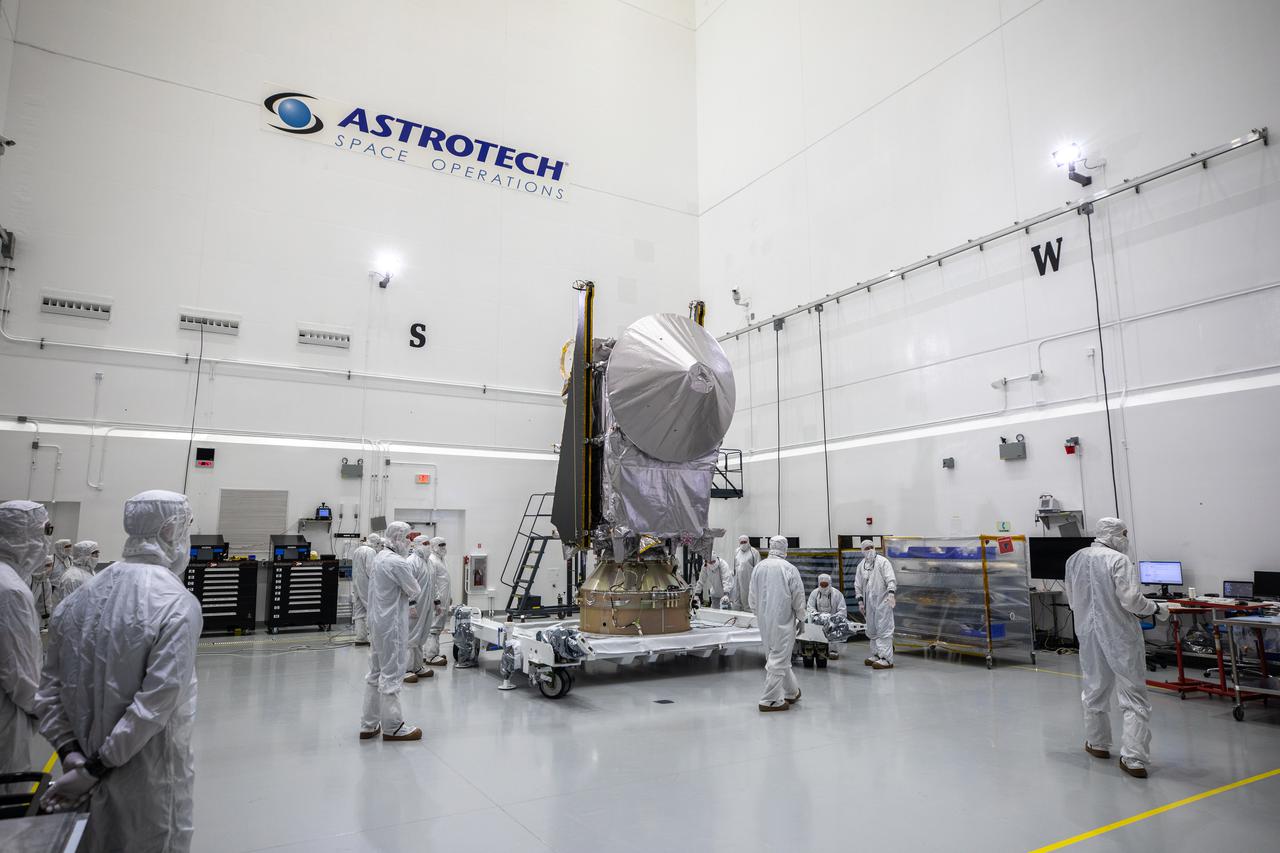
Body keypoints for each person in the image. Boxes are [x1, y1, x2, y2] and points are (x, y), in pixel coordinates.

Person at [36, 490, 203, 852]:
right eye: (187, 526)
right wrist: (96, 767)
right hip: (146, 779)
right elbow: (154, 705)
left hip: (79, 769)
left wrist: (72, 755)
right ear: (171, 529)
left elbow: (48, 691)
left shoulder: (80, 597)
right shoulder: (176, 604)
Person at [1065, 517, 1169, 779]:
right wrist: (1157, 608)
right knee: (1133, 694)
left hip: (1087, 634)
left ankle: (1097, 743)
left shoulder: (1074, 559)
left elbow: (1072, 600)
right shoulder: (1118, 560)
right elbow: (1132, 601)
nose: (1126, 539)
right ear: (1112, 534)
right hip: (1119, 635)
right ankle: (1133, 758)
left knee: (1094, 687)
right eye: (1124, 534)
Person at [0, 500, 48, 792]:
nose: (44, 543)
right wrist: (45, 711)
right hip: (6, 718)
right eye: (41, 533)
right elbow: (20, 675)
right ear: (23, 535)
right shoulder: (11, 591)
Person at [359, 521, 423, 741]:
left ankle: (368, 725)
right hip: (392, 625)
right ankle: (393, 726)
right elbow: (414, 589)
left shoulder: (379, 557)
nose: (409, 543)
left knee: (375, 673)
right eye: (407, 538)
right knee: (392, 674)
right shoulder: (397, 562)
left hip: (377, 623)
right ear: (398, 538)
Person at [749, 536, 806, 712]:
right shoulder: (788, 568)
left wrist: (758, 612)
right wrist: (802, 618)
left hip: (764, 619)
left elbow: (752, 595)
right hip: (783, 619)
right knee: (779, 657)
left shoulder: (759, 567)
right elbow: (798, 596)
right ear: (785, 548)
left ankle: (791, 691)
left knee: (778, 656)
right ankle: (770, 700)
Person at [855, 540, 897, 670]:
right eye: (866, 548)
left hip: (883, 601)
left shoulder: (883, 562)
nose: (869, 550)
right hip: (868, 603)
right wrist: (860, 601)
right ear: (862, 551)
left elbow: (890, 579)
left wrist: (891, 594)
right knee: (871, 629)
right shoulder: (861, 565)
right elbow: (858, 584)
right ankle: (876, 654)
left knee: (884, 629)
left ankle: (887, 659)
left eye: (871, 547)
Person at [800, 573, 846, 668]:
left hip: (832, 619)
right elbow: (810, 608)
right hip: (818, 620)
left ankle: (833, 650)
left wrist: (832, 618)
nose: (824, 587)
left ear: (830, 583)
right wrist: (818, 616)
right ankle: (814, 649)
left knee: (833, 629)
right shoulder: (814, 593)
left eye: (826, 584)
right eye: (822, 584)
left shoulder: (837, 594)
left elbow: (842, 610)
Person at [404, 533, 432, 678]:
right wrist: (411, 604)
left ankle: (417, 666)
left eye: (429, 544)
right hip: (415, 605)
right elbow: (407, 585)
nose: (428, 547)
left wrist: (436, 601)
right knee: (411, 636)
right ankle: (406, 669)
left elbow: (432, 583)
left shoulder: (427, 562)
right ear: (417, 545)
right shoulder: (411, 562)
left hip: (426, 604)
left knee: (421, 635)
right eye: (425, 544)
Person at [422, 536, 452, 667]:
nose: (443, 547)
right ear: (433, 546)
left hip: (443, 599)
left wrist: (449, 597)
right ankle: (431, 655)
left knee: (438, 627)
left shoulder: (441, 559)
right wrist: (437, 600)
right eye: (440, 545)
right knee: (433, 627)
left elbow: (445, 581)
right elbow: (433, 583)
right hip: (437, 601)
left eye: (444, 544)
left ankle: (431, 653)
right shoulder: (432, 560)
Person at [350, 534, 379, 645]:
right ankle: (374, 638)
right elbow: (370, 569)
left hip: (356, 583)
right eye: (378, 544)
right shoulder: (370, 551)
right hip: (366, 584)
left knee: (359, 611)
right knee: (372, 609)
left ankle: (360, 638)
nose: (378, 546)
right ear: (375, 542)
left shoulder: (357, 550)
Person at [733, 535, 760, 610]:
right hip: (738, 578)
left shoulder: (754, 552)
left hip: (748, 579)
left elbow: (758, 566)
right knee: (737, 594)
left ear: (748, 542)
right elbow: (735, 564)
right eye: (741, 542)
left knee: (747, 595)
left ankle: (748, 611)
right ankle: (737, 610)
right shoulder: (737, 551)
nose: (743, 544)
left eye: (745, 542)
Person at [30, 553, 55, 620]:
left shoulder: (45, 581)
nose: (50, 568)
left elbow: (46, 600)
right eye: (47, 565)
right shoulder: (27, 579)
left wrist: (46, 616)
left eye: (51, 565)